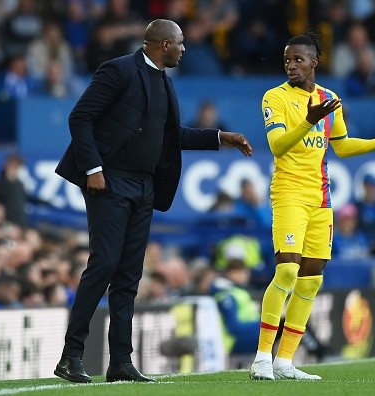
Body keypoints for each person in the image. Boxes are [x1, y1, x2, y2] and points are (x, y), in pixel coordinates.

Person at [53, 19, 253, 384]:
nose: (184, 49)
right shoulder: (118, 71)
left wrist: (220, 136)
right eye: (179, 43)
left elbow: (172, 135)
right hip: (109, 181)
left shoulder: (165, 82)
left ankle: (120, 361)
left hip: (143, 188)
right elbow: (80, 116)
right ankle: (71, 355)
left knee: (129, 275)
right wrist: (93, 168)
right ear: (162, 44)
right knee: (105, 263)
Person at [250, 30, 375, 381]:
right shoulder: (275, 97)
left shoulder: (329, 99)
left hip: (321, 199)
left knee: (311, 281)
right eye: (286, 60)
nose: (291, 66)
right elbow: (278, 145)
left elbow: (340, 146)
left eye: (298, 59)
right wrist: (308, 122)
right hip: (289, 194)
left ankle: (285, 361)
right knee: (286, 271)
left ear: (315, 62)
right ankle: (262, 357)